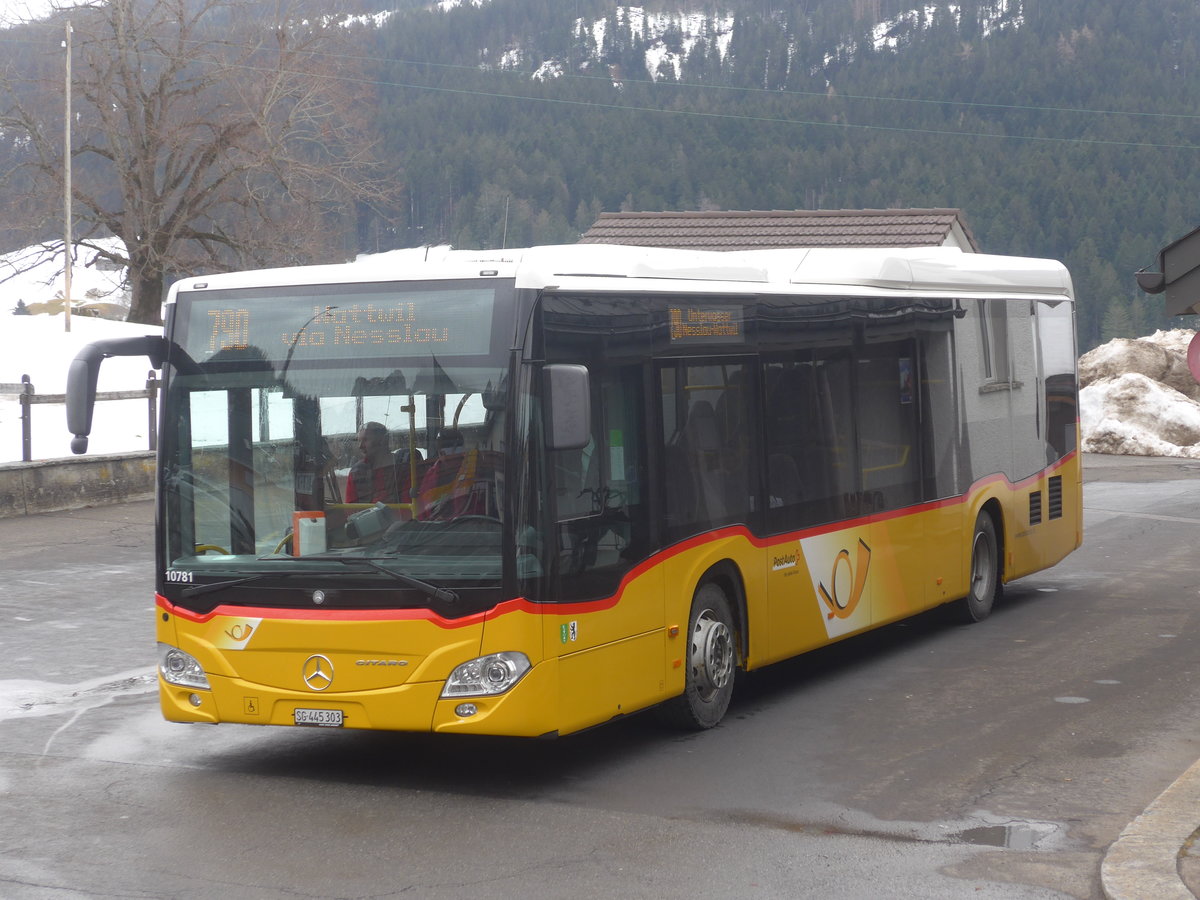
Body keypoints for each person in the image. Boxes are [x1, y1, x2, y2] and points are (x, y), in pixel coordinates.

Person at [416, 427, 492, 520]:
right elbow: (422, 511)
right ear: (441, 454)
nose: (459, 459)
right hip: (438, 529)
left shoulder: (475, 469)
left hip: (470, 527)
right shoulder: (431, 477)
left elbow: (482, 506)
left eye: (461, 454)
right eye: (454, 455)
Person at [345, 422, 401, 504]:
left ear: (382, 441)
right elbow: (350, 510)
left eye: (365, 440)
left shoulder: (402, 467)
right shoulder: (356, 472)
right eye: (359, 441)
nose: (360, 446)